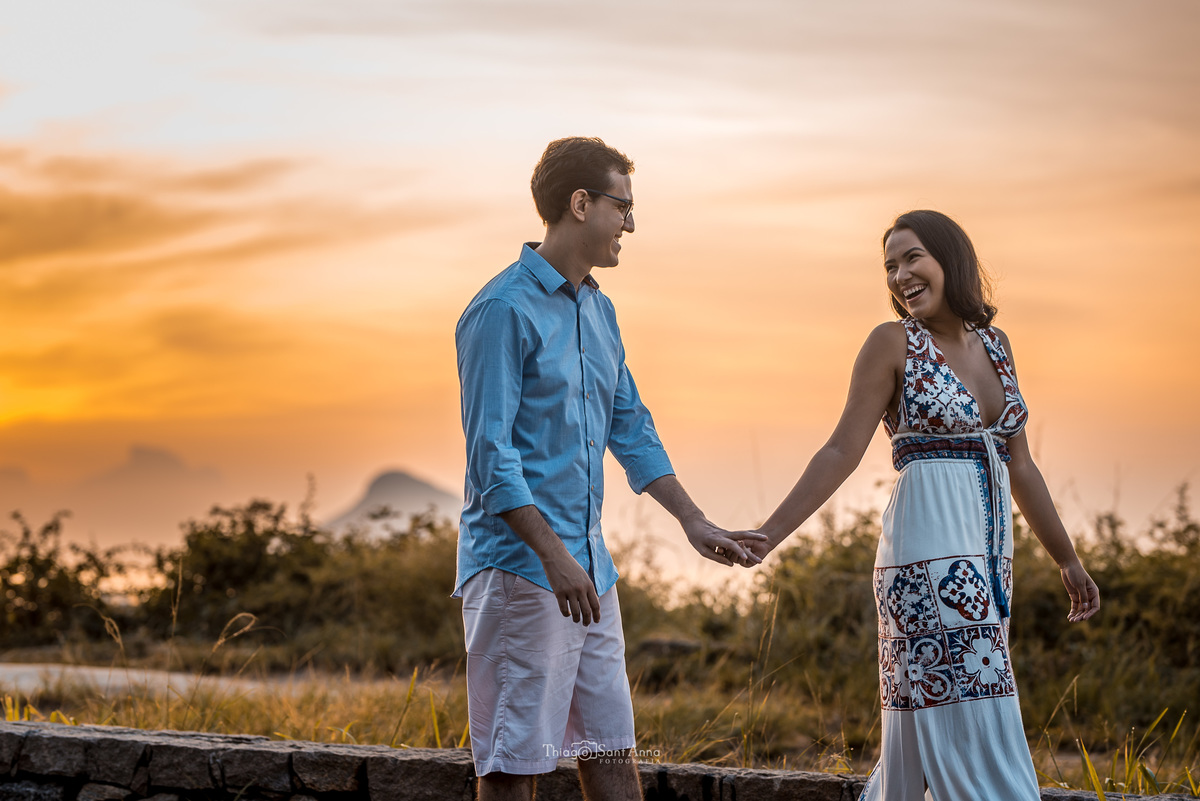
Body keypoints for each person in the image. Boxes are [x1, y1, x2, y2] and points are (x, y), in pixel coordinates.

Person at [743, 210, 1100, 800]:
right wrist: (768, 534)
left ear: (950, 259)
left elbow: (1022, 466)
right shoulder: (893, 343)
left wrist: (1067, 560)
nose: (900, 275)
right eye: (889, 265)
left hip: (987, 560)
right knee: (977, 720)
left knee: (923, 731)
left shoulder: (998, 348)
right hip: (925, 555)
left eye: (912, 258)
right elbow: (840, 450)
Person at [455, 136, 763, 801]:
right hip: (520, 570)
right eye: (623, 206)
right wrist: (553, 556)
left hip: (590, 571)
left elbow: (630, 422)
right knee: (513, 766)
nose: (630, 223)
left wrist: (692, 518)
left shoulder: (599, 310)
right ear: (580, 203)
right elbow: (491, 456)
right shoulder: (500, 310)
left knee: (611, 750)